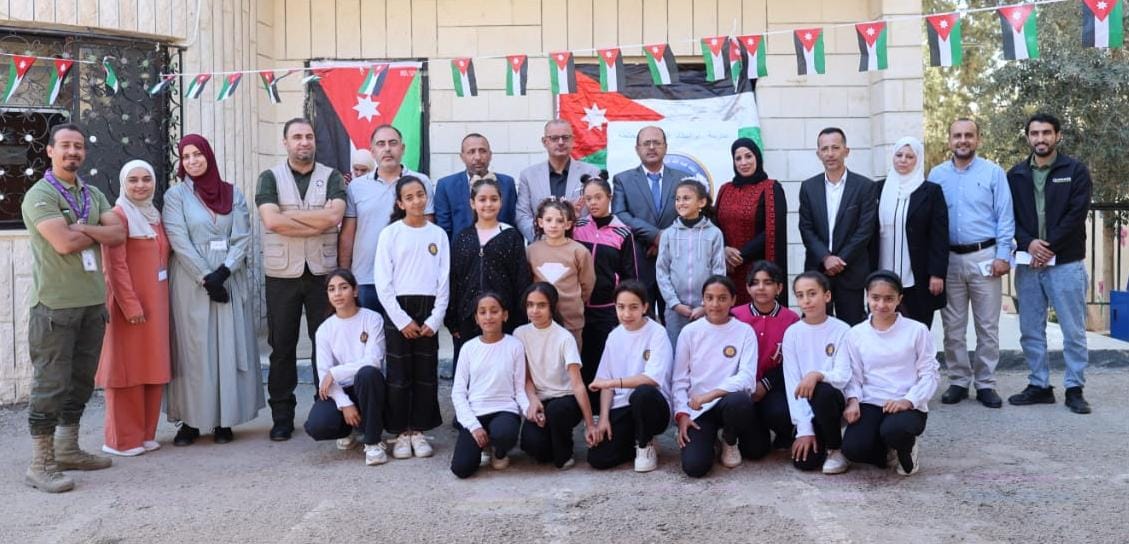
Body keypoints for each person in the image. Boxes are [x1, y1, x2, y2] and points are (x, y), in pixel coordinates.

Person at [21, 123, 125, 493]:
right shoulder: (40, 195)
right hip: (54, 307)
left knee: (81, 381)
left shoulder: (92, 193)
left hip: (92, 305)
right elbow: (63, 243)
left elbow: (118, 234)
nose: (72, 152)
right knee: (51, 384)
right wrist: (93, 229)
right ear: (50, 150)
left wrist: (82, 227)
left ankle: (67, 449)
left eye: (78, 146)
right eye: (65, 145)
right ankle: (40, 463)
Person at [165, 134, 264, 446]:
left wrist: (224, 271)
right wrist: (207, 277)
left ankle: (224, 419)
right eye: (186, 156)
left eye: (197, 154)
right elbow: (179, 240)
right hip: (192, 282)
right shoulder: (175, 196)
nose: (192, 161)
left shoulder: (233, 194)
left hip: (228, 279)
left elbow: (242, 237)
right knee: (194, 350)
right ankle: (191, 421)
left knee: (227, 347)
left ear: (208, 156)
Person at [256, 118, 347, 441]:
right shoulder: (269, 177)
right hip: (282, 274)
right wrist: (316, 221)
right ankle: (282, 417)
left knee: (326, 344)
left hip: (323, 274)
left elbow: (335, 216)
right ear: (286, 143)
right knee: (282, 347)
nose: (304, 142)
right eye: (297, 137)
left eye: (308, 136)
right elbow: (271, 221)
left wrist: (288, 216)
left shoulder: (332, 176)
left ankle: (328, 411)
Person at [1006, 112, 1093, 414]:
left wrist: (1049, 247)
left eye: (1046, 133)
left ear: (1058, 136)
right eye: (1035, 133)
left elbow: (1076, 214)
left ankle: (1074, 388)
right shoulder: (1015, 175)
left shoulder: (1075, 171)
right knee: (1031, 328)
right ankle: (1039, 385)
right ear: (1028, 137)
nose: (1040, 138)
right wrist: (1029, 243)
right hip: (1028, 263)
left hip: (1066, 264)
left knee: (1073, 330)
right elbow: (1008, 217)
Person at [929, 119, 1014, 409]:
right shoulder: (937, 175)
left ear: (978, 139)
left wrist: (1003, 255)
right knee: (952, 327)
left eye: (968, 135)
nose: (963, 140)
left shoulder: (993, 173)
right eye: (957, 135)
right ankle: (958, 381)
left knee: (987, 326)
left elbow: (1005, 216)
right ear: (949, 140)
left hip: (985, 257)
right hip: (949, 260)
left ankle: (986, 383)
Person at [96, 160, 171, 457]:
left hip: (156, 304)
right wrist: (129, 305)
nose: (141, 185)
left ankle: (144, 434)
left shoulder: (154, 215)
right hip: (130, 307)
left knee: (151, 368)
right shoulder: (118, 216)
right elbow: (113, 267)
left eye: (146, 179)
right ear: (123, 184)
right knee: (125, 372)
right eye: (133, 180)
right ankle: (121, 440)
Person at [374, 176, 450, 459]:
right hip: (399, 309)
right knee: (399, 373)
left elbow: (444, 279)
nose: (417, 201)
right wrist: (401, 320)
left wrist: (435, 318)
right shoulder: (390, 234)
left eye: (420, 194)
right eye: (409, 197)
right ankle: (400, 432)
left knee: (425, 372)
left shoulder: (438, 235)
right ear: (400, 203)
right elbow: (383, 282)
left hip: (428, 309)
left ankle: (418, 430)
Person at [841, 271, 940, 477]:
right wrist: (853, 400)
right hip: (871, 401)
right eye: (875, 298)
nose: (881, 304)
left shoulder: (917, 330)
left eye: (888, 299)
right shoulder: (855, 334)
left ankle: (906, 447)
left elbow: (930, 373)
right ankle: (886, 450)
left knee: (896, 431)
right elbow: (855, 375)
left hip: (906, 402)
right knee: (853, 449)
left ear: (899, 299)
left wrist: (909, 400)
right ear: (867, 296)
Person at [338, 124, 434, 314]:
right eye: (381, 144)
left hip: (409, 279)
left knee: (406, 332)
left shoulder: (421, 182)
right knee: (369, 332)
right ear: (373, 151)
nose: (387, 149)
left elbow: (428, 229)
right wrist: (344, 275)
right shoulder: (356, 187)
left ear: (402, 148)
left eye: (393, 143)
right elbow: (348, 235)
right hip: (366, 278)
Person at [672, 275, 759, 477]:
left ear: (733, 300)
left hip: (729, 404)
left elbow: (747, 378)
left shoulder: (744, 331)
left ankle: (730, 439)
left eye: (722, 298)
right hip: (698, 409)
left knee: (740, 400)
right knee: (695, 467)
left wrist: (711, 395)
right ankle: (710, 440)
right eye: (709, 298)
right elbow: (679, 380)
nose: (715, 304)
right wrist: (682, 415)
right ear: (702, 300)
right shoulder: (690, 332)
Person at [303, 269, 389, 466]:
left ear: (355, 291)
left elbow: (374, 360)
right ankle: (348, 430)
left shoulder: (372, 318)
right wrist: (344, 403)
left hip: (369, 388)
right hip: (341, 390)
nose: (338, 294)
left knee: (367, 374)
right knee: (317, 425)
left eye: (343, 287)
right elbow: (324, 376)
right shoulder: (324, 330)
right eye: (332, 289)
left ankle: (373, 442)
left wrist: (335, 372)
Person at [447, 177, 531, 376]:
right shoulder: (463, 237)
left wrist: (520, 317)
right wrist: (452, 319)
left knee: (501, 370)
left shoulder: (511, 236)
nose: (488, 204)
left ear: (501, 202)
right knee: (470, 370)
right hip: (468, 315)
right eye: (482, 199)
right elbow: (454, 279)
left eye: (493, 199)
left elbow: (521, 279)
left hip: (503, 315)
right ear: (472, 203)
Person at [586, 281, 673, 472]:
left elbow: (652, 378)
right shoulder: (614, 336)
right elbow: (605, 381)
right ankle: (635, 438)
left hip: (653, 405)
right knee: (598, 458)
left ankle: (645, 444)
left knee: (642, 393)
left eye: (633, 307)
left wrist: (612, 382)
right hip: (623, 406)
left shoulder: (657, 333)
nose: (626, 314)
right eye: (621, 307)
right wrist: (603, 419)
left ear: (645, 307)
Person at [798, 128, 877, 325]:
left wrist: (840, 260)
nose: (830, 153)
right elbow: (806, 228)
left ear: (846, 151)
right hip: (818, 270)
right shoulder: (808, 187)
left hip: (851, 270)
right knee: (816, 327)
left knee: (851, 327)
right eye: (825, 149)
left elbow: (865, 230)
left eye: (835, 147)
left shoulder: (865, 186)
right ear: (818, 153)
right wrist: (826, 258)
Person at [516, 283, 598, 469]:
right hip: (540, 400)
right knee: (534, 447)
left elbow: (577, 384)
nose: (534, 310)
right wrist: (532, 400)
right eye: (530, 305)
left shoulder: (564, 337)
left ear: (552, 307)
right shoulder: (520, 334)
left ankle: (565, 451)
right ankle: (552, 439)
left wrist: (590, 424)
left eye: (541, 305)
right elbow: (526, 377)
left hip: (565, 400)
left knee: (556, 413)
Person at [611, 126, 693, 312]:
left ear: (665, 147)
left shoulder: (683, 179)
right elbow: (620, 214)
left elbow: (689, 213)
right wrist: (655, 236)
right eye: (646, 143)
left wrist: (665, 239)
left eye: (657, 142)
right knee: (641, 320)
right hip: (639, 261)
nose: (651, 147)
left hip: (675, 262)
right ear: (637, 148)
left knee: (674, 319)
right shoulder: (623, 179)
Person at [870, 137, 949, 329]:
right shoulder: (878, 189)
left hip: (917, 276)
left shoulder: (930, 191)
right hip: (883, 272)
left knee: (917, 329)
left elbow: (939, 236)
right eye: (899, 155)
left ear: (918, 159)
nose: (903, 160)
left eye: (909, 156)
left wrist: (937, 273)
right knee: (883, 329)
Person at [450, 293, 529, 478]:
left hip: (505, 410)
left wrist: (529, 410)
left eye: (494, 311)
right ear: (476, 318)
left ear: (505, 315)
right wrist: (473, 426)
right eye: (482, 312)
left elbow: (520, 389)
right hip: (476, 411)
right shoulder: (468, 348)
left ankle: (499, 451)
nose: (488, 317)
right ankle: (482, 442)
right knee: (461, 469)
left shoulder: (515, 346)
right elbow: (458, 392)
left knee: (504, 433)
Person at [573, 173, 637, 396]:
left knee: (604, 357)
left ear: (609, 197)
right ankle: (584, 405)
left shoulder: (622, 232)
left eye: (598, 197)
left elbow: (629, 276)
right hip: (578, 307)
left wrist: (623, 306)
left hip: (607, 309)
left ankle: (605, 404)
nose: (593, 203)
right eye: (588, 198)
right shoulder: (577, 227)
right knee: (581, 357)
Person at [782, 271, 852, 474]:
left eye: (812, 293)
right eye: (800, 295)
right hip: (808, 408)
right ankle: (816, 434)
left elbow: (843, 375)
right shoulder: (792, 333)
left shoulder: (842, 330)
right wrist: (804, 429)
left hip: (833, 402)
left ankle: (835, 449)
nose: (806, 300)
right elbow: (792, 382)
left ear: (827, 296)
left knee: (821, 390)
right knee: (805, 463)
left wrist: (817, 375)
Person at [731, 260, 801, 454]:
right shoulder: (735, 316)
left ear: (779, 288)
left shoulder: (791, 319)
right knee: (754, 451)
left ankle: (785, 433)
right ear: (748, 288)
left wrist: (766, 384)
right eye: (755, 283)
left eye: (768, 282)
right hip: (742, 388)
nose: (761, 288)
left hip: (774, 387)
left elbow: (792, 362)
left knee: (780, 414)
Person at [716, 138, 788, 307]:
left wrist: (740, 256)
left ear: (757, 157)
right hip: (727, 269)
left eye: (748, 156)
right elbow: (715, 225)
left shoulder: (771, 188)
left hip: (758, 270)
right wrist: (724, 250)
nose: (743, 163)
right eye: (738, 158)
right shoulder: (725, 189)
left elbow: (773, 230)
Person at [656, 178, 726, 348]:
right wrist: (674, 303)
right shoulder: (668, 234)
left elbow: (719, 272)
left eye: (686, 198)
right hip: (676, 310)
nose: (681, 203)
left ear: (701, 202)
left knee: (705, 350)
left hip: (706, 309)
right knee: (677, 351)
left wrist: (705, 305)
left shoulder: (714, 234)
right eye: (678, 199)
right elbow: (662, 271)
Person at [526, 198, 595, 347]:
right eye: (549, 220)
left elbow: (587, 284)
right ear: (540, 222)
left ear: (568, 224)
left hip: (571, 321)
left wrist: (575, 302)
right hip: (539, 321)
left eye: (559, 220)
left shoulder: (579, 251)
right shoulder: (531, 251)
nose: (553, 225)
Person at [516, 120, 600, 242]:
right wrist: (544, 238)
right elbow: (522, 216)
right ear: (545, 142)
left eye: (565, 138)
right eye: (554, 138)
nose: (560, 142)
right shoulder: (528, 176)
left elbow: (597, 213)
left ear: (573, 140)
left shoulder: (591, 173)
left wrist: (573, 237)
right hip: (541, 246)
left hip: (580, 245)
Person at [434, 133, 518, 241]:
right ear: (462, 157)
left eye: (483, 151)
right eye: (471, 152)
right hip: (460, 249)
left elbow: (513, 223)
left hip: (502, 248)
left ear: (490, 155)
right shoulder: (446, 186)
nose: (478, 157)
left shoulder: (507, 183)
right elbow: (443, 230)